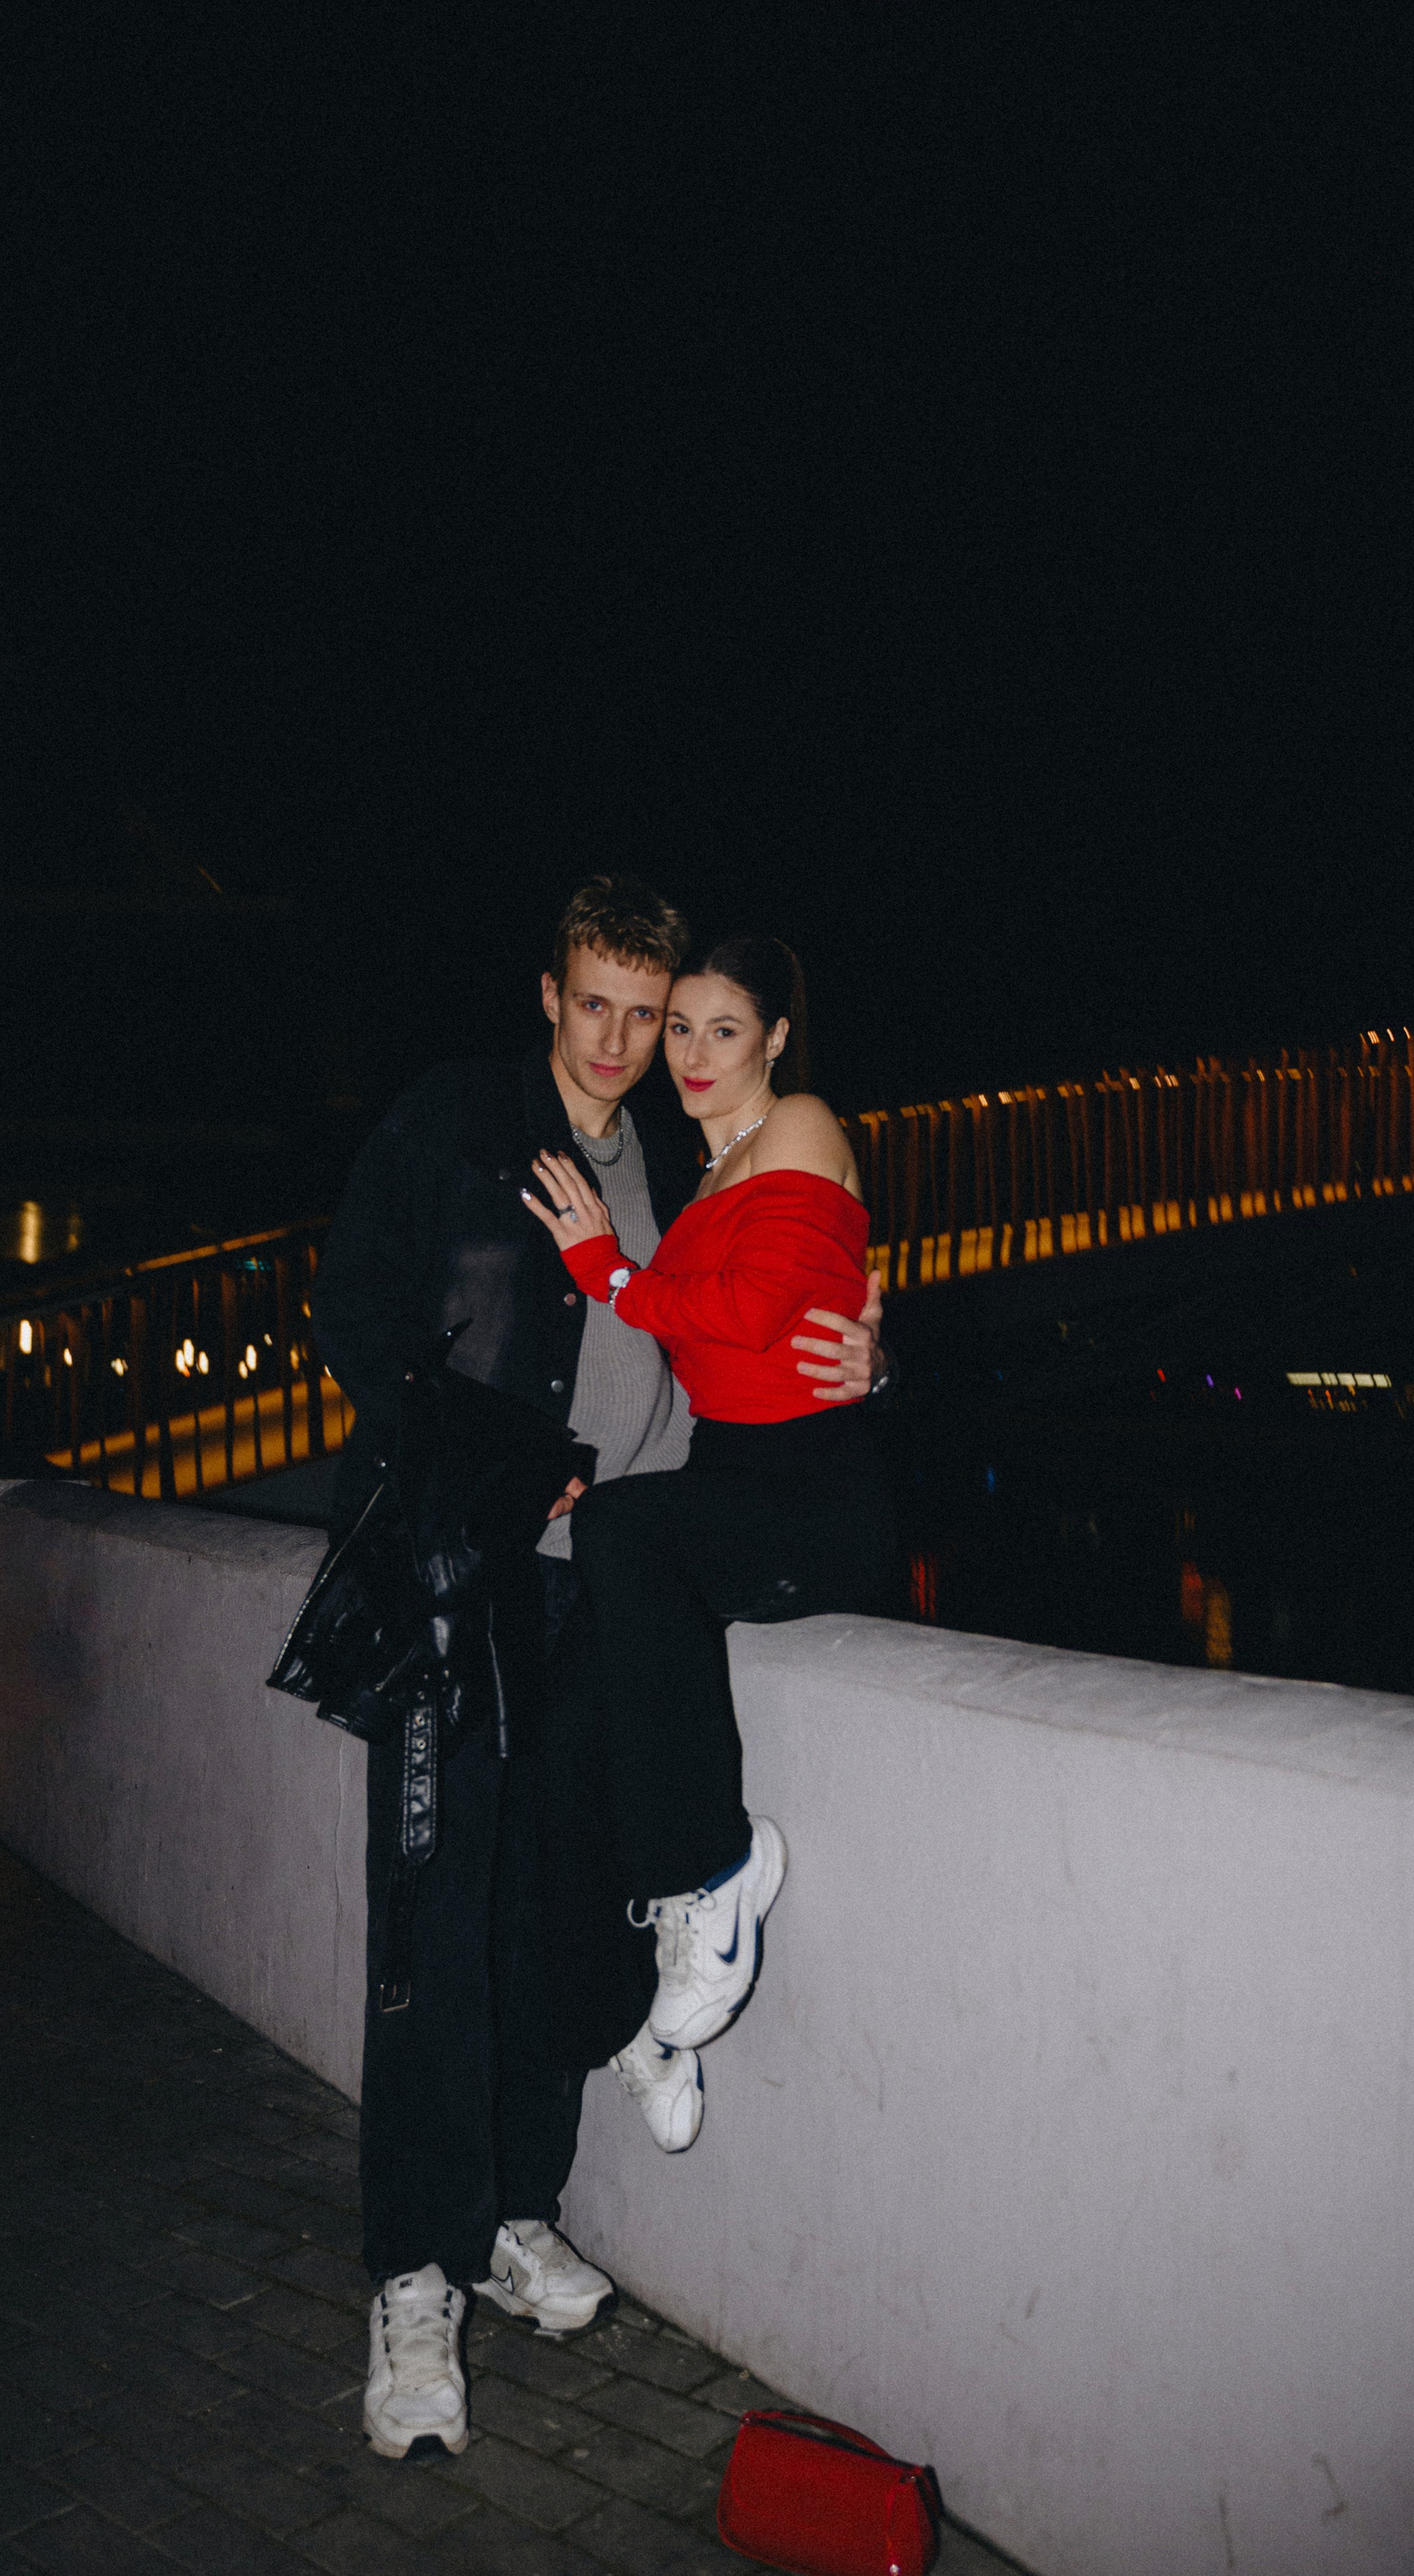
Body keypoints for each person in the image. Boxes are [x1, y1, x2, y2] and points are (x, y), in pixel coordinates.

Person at [311, 880, 887, 2461]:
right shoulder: (458, 1121)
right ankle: (413, 2275)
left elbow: (758, 1328)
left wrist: (869, 1349)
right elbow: (356, 1309)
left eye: (655, 1014)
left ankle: (511, 2213)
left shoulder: (687, 1165)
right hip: (457, 1572)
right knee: (434, 1916)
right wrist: (492, 1470)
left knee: (548, 1904)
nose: (629, 1042)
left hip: (595, 1601)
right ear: (550, 997)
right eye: (601, 1007)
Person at [525, 933, 896, 2061]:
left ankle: (716, 1870)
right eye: (677, 1027)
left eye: (722, 1029)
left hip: (811, 1489)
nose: (690, 1053)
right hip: (731, 1477)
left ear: (774, 1037)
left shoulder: (801, 1123)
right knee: (575, 1722)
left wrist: (606, 1268)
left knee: (622, 1530)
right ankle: (630, 2025)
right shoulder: (701, 1181)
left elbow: (748, 1309)